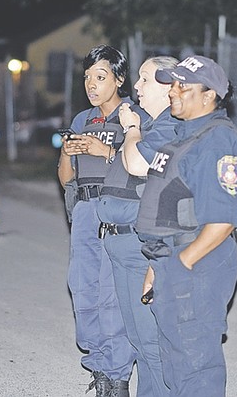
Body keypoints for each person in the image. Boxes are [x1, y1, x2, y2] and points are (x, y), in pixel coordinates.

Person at [136, 56, 237, 396]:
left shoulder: (217, 141)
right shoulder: (185, 138)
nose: (173, 91)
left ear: (209, 95)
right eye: (172, 83)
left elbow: (223, 220)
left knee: (196, 370)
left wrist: (180, 264)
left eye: (182, 85)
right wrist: (159, 267)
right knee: (176, 364)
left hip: (198, 264)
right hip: (173, 261)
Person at [57, 44, 142, 397]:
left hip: (118, 211)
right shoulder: (82, 120)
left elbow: (142, 170)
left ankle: (117, 374)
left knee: (112, 294)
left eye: (101, 77)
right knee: (83, 290)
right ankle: (99, 364)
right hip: (85, 211)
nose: (91, 85)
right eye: (88, 77)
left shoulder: (133, 117)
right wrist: (67, 151)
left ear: (119, 79)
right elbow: (65, 178)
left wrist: (105, 152)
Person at [96, 55, 180, 397]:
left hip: (141, 248)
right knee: (140, 341)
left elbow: (137, 163)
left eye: (145, 80)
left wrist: (132, 128)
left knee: (151, 344)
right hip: (123, 246)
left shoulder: (168, 126)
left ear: (168, 86)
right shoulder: (149, 121)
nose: (137, 86)